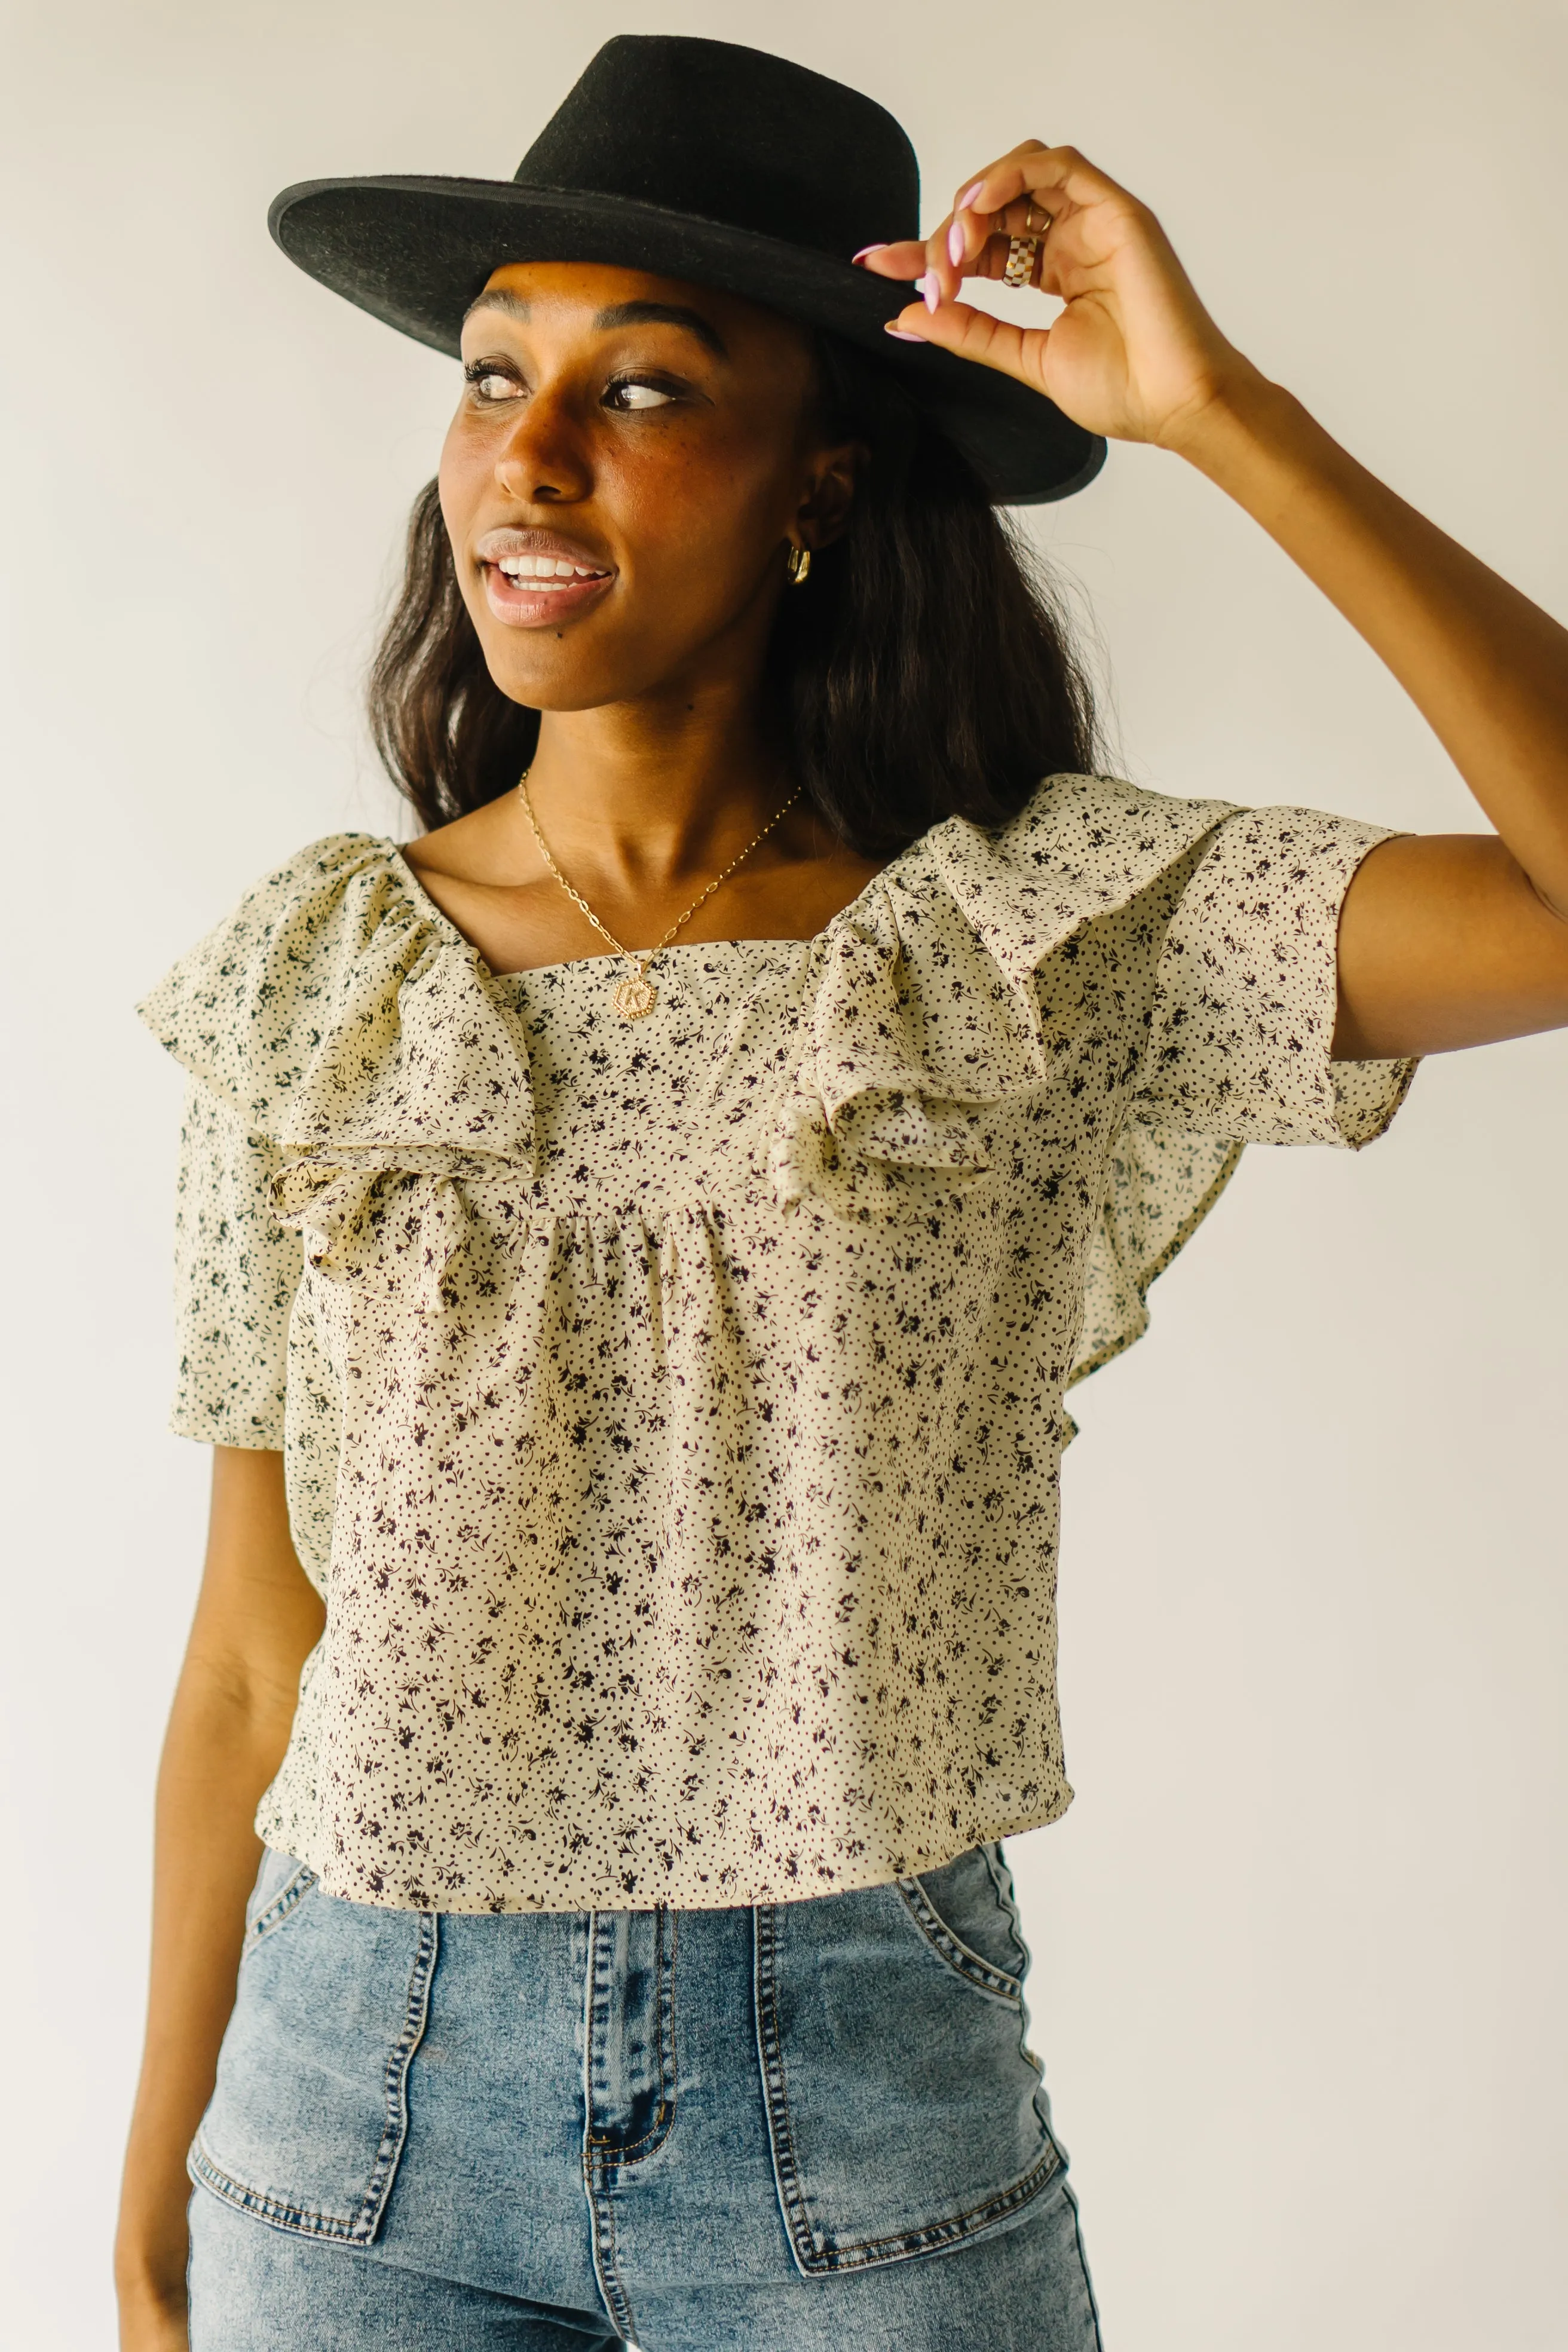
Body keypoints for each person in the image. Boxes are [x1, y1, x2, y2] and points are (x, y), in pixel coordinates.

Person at [114, 33, 1568, 2352]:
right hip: (343, 2117)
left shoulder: (1034, 940)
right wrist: (151, 2187)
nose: (530, 449)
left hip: (852, 2102)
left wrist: (1212, 413)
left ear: (826, 479)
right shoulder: (317, 980)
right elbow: (247, 1656)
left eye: (650, 388)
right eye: (492, 376)